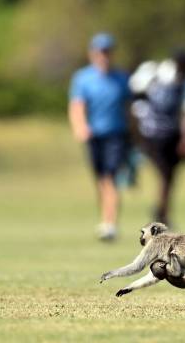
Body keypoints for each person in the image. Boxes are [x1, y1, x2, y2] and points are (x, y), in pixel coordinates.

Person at [68, 32, 131, 241]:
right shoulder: (83, 78)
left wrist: (136, 134)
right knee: (100, 179)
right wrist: (80, 127)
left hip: (117, 134)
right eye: (100, 52)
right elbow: (77, 106)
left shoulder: (122, 78)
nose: (104, 56)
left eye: (107, 52)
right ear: (92, 53)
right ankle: (106, 219)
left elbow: (129, 108)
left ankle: (110, 223)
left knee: (110, 177)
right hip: (94, 135)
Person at [129, 48, 185, 225]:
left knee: (169, 176)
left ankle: (162, 211)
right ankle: (161, 212)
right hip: (150, 134)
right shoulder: (153, 74)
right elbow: (133, 97)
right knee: (165, 174)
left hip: (171, 136)